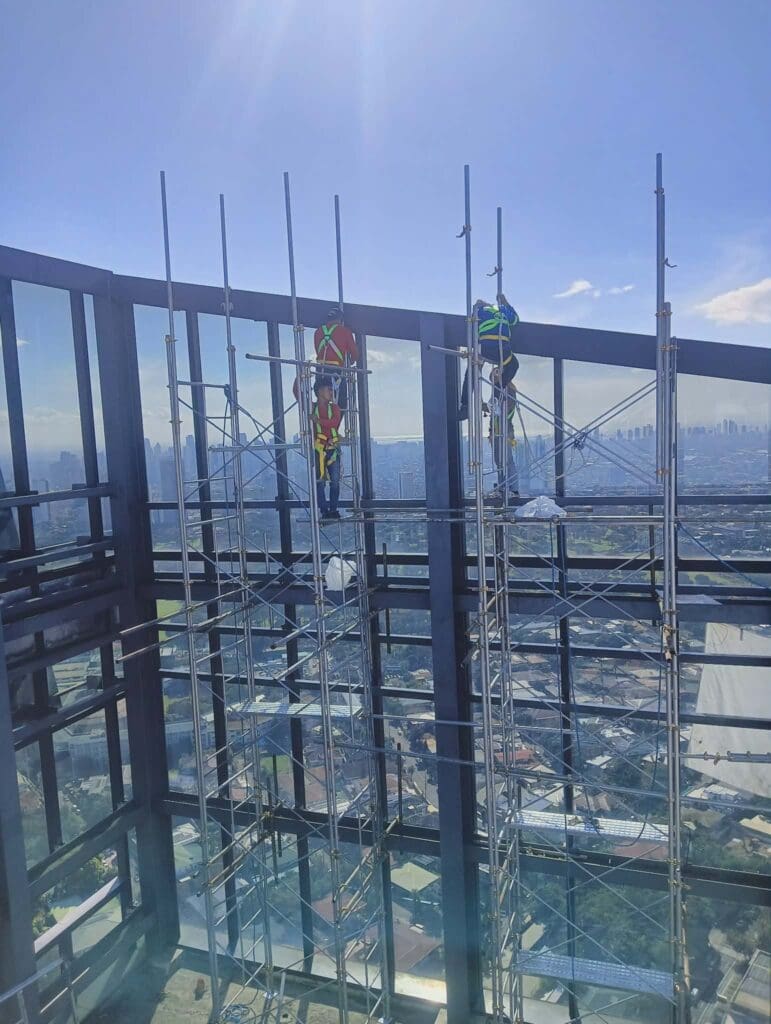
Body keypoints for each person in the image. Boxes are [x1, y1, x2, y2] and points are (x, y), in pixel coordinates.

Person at [458, 294, 520, 420]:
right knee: (513, 365)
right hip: (503, 349)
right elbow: (515, 319)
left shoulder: (480, 311)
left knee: (472, 372)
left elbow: (471, 323)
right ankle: (496, 396)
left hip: (485, 348)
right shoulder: (502, 311)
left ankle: (465, 406)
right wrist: (505, 302)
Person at [313, 308, 359, 418]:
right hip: (336, 370)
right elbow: (355, 354)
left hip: (320, 369)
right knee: (340, 402)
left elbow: (317, 350)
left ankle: (320, 427)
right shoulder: (345, 332)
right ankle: (333, 429)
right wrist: (351, 361)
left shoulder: (318, 332)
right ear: (340, 320)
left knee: (322, 400)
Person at [311, 377, 343, 520]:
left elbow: (334, 422)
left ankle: (333, 510)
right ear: (319, 391)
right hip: (319, 450)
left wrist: (318, 421)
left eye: (331, 389)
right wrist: (300, 377)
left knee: (335, 482)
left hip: (332, 448)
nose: (331, 391)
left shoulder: (334, 408)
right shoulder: (312, 407)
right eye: (328, 389)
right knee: (320, 482)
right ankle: (325, 511)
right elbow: (297, 393)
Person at [488, 367, 519, 503]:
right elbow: (495, 412)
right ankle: (503, 488)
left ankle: (513, 489)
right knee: (500, 461)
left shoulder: (508, 391)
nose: (494, 378)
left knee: (506, 461)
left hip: (504, 431)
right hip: (498, 431)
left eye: (496, 375)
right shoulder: (498, 392)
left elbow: (504, 411)